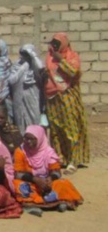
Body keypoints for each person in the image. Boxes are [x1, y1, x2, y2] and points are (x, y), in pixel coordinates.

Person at [13, 125, 83, 215]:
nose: (28, 142)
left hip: (47, 183)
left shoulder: (49, 152)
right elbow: (17, 174)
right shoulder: (20, 151)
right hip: (31, 182)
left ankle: (46, 202)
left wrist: (50, 179)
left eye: (32, 139)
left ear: (40, 139)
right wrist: (35, 179)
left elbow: (57, 172)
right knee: (17, 185)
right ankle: (36, 204)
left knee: (63, 183)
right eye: (26, 139)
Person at [45, 32, 89, 174]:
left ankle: (73, 160)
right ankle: (60, 158)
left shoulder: (72, 56)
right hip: (53, 99)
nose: (55, 46)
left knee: (71, 128)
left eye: (58, 44)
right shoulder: (50, 57)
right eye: (54, 43)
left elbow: (73, 73)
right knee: (56, 129)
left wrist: (61, 61)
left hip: (67, 97)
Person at [9, 44, 45, 133]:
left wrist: (32, 55)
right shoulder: (17, 65)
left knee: (34, 122)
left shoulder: (35, 66)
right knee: (20, 124)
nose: (25, 56)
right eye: (23, 53)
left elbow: (41, 68)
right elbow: (11, 81)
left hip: (32, 99)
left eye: (27, 53)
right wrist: (23, 68)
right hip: (19, 100)